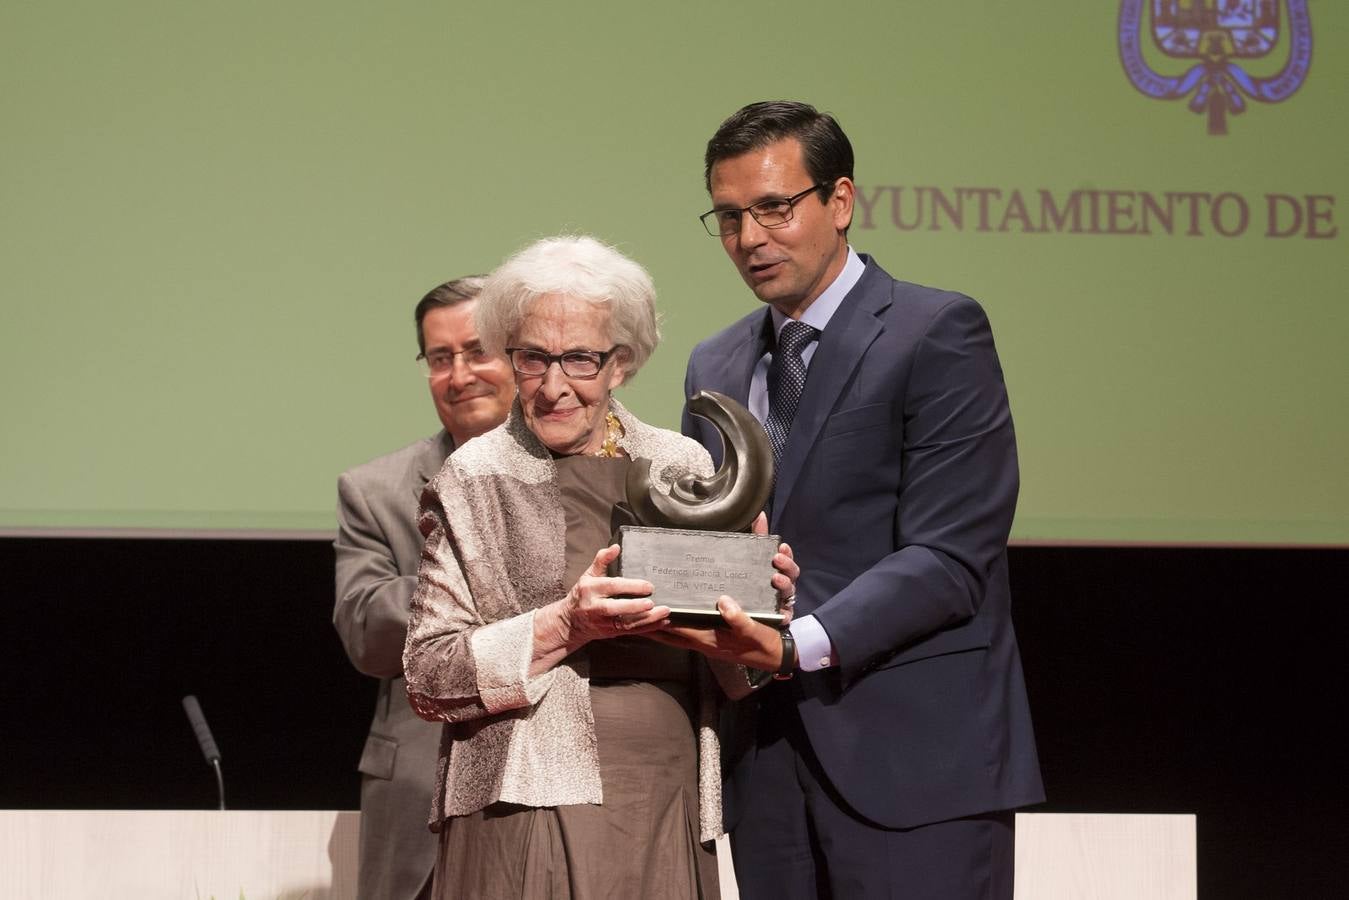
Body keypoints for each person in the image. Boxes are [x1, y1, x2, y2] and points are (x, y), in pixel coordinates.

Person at [668, 101, 1045, 899]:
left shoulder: (935, 330)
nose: (750, 238)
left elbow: (950, 557)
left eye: (774, 207)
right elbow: (708, 545)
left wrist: (792, 644)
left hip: (917, 759)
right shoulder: (715, 360)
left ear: (839, 201)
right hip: (764, 761)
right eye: (729, 216)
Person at [402, 235, 798, 900]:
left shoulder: (683, 466)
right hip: (521, 801)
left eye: (579, 359)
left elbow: (733, 675)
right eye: (532, 358)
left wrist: (758, 613)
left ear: (621, 363)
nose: (553, 386)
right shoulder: (475, 476)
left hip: (663, 797)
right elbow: (429, 674)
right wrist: (566, 625)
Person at [334, 276, 515, 900]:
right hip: (419, 789)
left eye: (477, 350)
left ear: (520, 352)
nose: (459, 374)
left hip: (552, 778)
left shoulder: (594, 474)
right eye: (441, 358)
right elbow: (366, 634)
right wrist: (480, 575)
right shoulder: (375, 490)